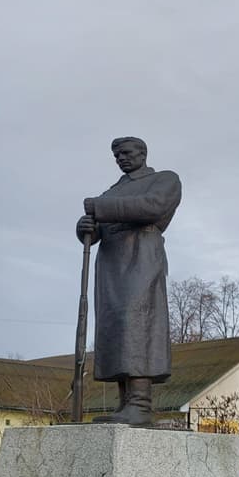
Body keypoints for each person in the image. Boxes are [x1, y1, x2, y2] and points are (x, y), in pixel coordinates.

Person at [76, 135, 181, 425]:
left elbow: (153, 207)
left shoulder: (164, 179)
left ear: (142, 153)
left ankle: (141, 404)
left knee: (137, 324)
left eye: (125, 152)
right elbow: (96, 229)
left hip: (141, 258)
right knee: (116, 330)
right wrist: (85, 227)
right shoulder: (113, 191)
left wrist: (99, 208)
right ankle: (126, 404)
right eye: (116, 155)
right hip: (111, 265)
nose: (121, 158)